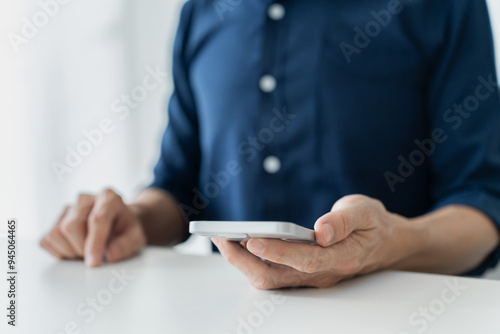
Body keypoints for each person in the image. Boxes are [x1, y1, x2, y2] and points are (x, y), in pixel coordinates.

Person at [41, 0, 500, 289]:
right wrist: (135, 219)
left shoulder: (445, 6)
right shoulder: (201, 10)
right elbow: (179, 191)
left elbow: (482, 207)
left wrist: (390, 243)